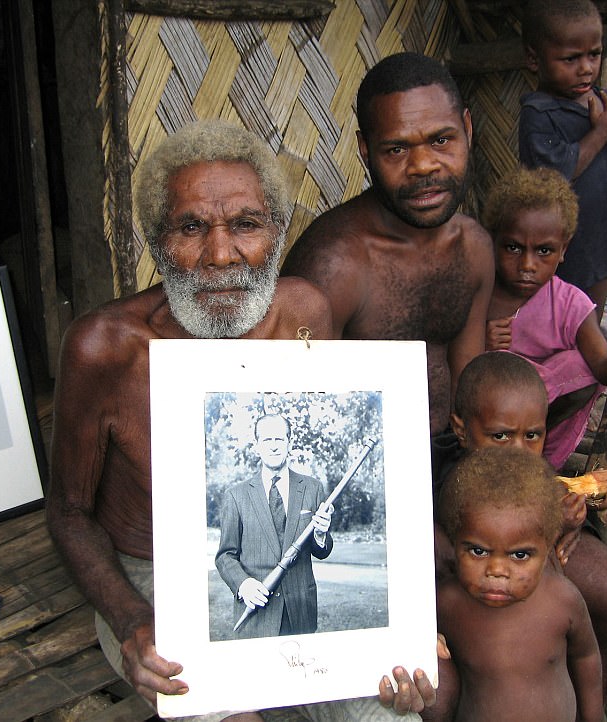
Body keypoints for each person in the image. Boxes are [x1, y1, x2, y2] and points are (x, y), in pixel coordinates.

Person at [46, 120, 434, 722]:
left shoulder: (305, 311)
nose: (221, 254)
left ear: (277, 235)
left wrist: (407, 634)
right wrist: (131, 621)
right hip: (152, 581)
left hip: (291, 571)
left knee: (392, 709)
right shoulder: (105, 348)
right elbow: (70, 513)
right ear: (156, 241)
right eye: (191, 227)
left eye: (246, 225)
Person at [281, 52, 493, 440]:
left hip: (449, 453)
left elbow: (471, 392)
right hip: (361, 472)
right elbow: (297, 415)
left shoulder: (474, 247)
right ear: (365, 149)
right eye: (397, 149)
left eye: (441, 140)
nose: (424, 165)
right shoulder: (335, 265)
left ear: (467, 128)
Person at [441, 351, 607, 707]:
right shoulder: (450, 481)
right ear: (462, 430)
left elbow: (551, 497)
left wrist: (583, 509)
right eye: (501, 436)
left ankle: (592, 701)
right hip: (487, 578)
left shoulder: (536, 474)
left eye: (533, 435)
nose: (520, 451)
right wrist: (555, 525)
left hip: (538, 561)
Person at [482, 166, 607, 468]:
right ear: (492, 241)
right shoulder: (478, 294)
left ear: (563, 250)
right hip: (486, 420)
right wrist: (483, 343)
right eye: (513, 248)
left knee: (576, 363)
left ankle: (540, 462)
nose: (527, 264)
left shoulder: (571, 304)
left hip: (545, 424)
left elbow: (601, 368)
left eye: (544, 250)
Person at [436, 447, 603, 722]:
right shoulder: (446, 603)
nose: (497, 570)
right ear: (455, 544)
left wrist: (593, 717)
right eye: (478, 551)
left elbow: (586, 657)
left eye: (520, 555)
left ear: (548, 546)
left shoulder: (562, 600)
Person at [519, 0, 607, 315]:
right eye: (570, 58)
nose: (585, 67)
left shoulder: (598, 99)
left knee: (599, 289)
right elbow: (557, 172)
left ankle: (588, 347)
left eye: (594, 55)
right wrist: (602, 132)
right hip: (577, 237)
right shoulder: (539, 114)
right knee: (579, 307)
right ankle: (584, 354)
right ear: (534, 58)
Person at [215, 414, 333, 639]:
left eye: (279, 439)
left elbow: (322, 550)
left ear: (289, 443)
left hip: (301, 613)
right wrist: (244, 585)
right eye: (267, 440)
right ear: (257, 446)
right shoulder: (236, 496)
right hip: (257, 614)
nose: (274, 446)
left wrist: (320, 534)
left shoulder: (312, 488)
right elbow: (225, 556)